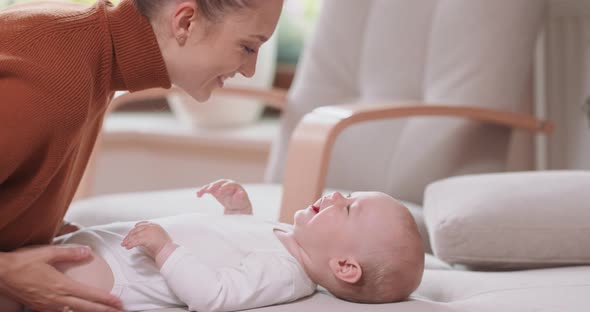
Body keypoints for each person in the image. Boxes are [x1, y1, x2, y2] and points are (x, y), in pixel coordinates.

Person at [0, 0, 283, 311]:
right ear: (186, 22)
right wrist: (7, 273)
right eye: (248, 47)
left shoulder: (90, 50)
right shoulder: (56, 74)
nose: (250, 70)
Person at [1, 179, 426, 312]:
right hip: (105, 246)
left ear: (345, 267)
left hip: (112, 274)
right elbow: (229, 246)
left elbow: (215, 293)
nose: (335, 196)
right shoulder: (284, 236)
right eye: (346, 195)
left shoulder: (286, 276)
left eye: (348, 208)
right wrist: (237, 212)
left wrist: (165, 250)